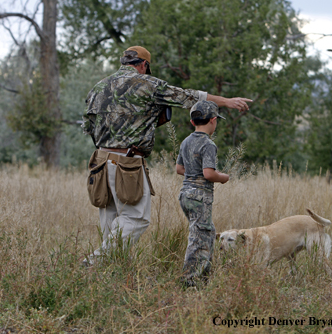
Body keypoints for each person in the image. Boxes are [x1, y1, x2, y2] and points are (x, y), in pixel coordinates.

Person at [82, 46, 251, 265]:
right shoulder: (148, 84)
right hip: (128, 162)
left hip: (100, 161)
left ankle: (110, 275)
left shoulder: (98, 87)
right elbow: (187, 96)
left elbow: (88, 126)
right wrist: (226, 101)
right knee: (136, 219)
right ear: (144, 65)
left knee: (111, 221)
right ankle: (93, 262)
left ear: (124, 62)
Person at [176, 100, 229, 287]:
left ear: (193, 122)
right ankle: (189, 282)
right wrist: (222, 177)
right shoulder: (208, 144)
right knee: (198, 238)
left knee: (207, 232)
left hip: (185, 194)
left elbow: (179, 168)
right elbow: (208, 173)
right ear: (213, 120)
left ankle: (205, 276)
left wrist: (194, 172)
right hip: (200, 195)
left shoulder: (186, 141)